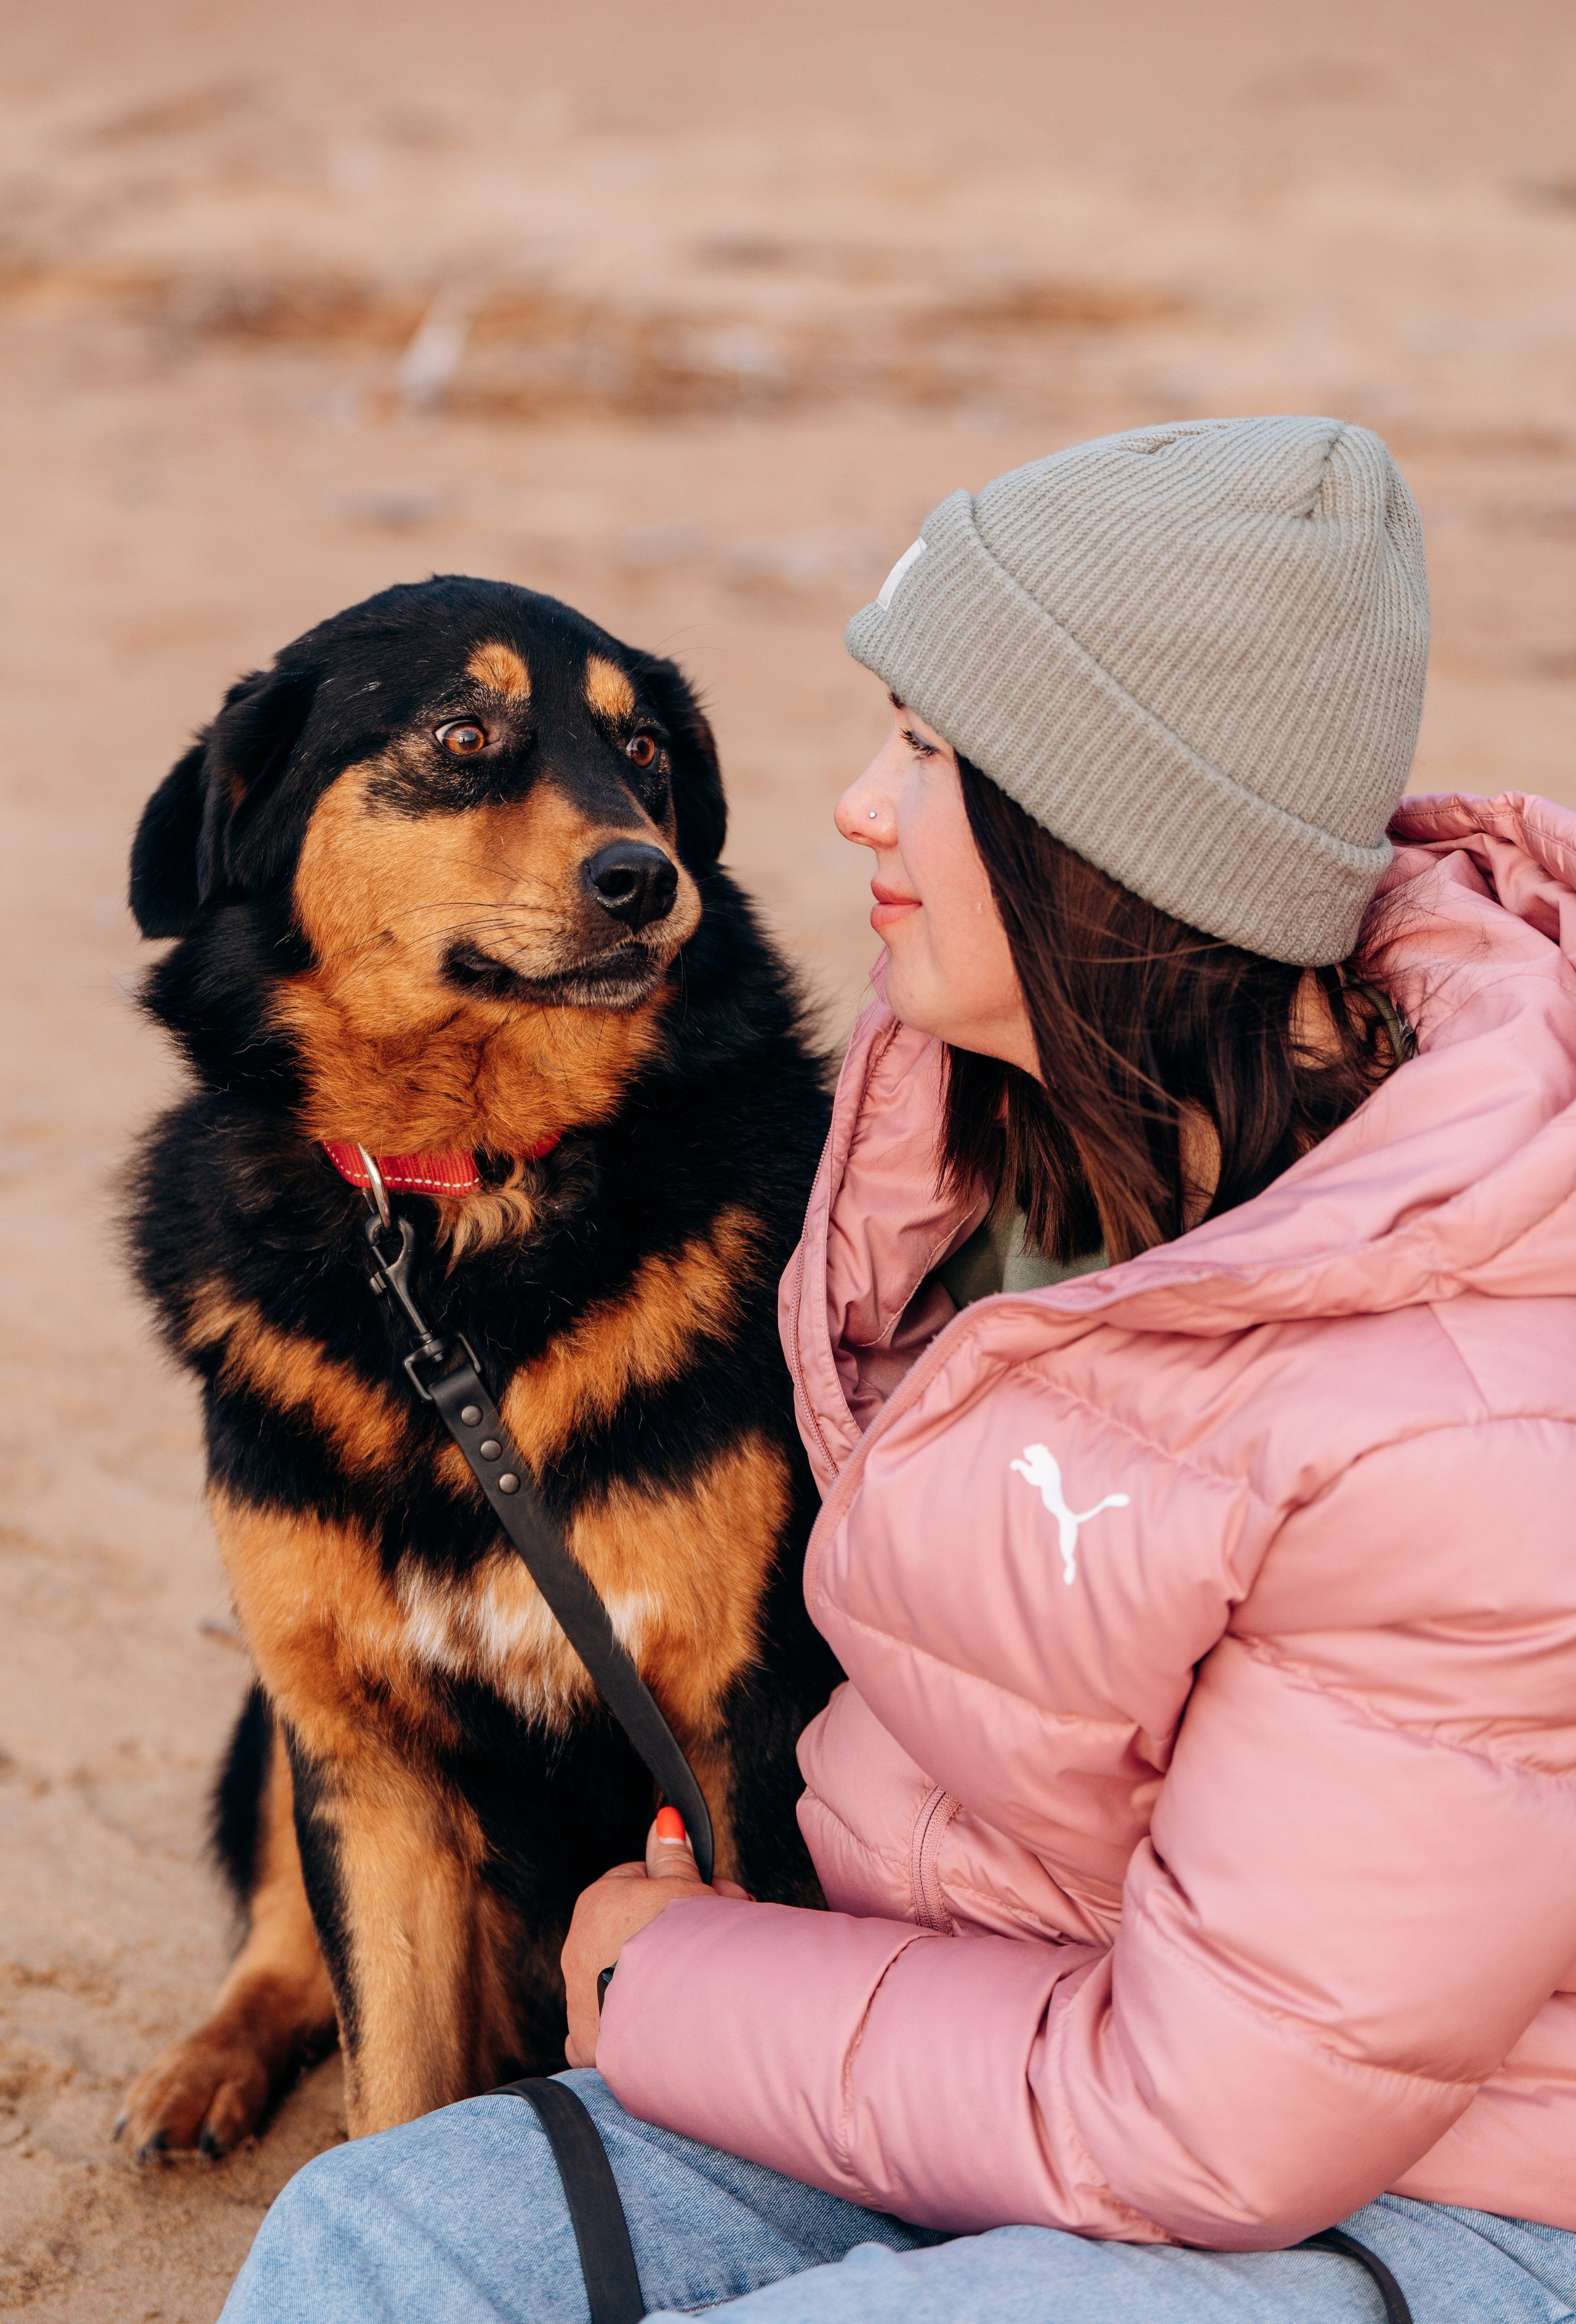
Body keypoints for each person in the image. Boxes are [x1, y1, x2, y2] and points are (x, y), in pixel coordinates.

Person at [220, 417, 1576, 2323]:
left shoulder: (1464, 1415)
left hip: (1410, 2197)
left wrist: (672, 1983)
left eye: (929, 755)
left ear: (1105, 840)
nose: (848, 808)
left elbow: (1212, 2128)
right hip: (976, 2035)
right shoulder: (925, 1160)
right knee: (374, 2244)